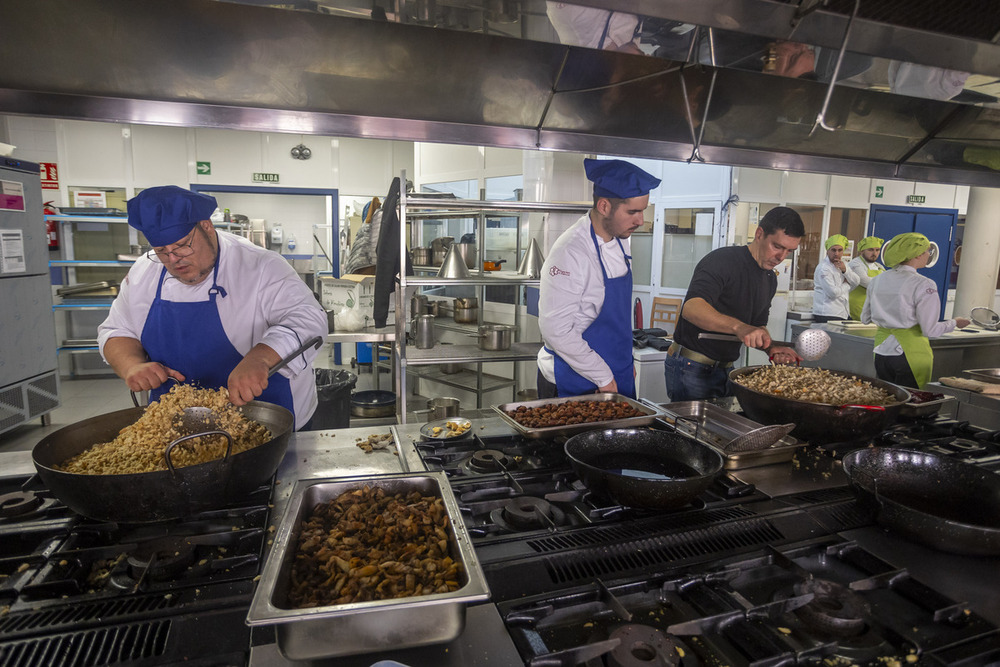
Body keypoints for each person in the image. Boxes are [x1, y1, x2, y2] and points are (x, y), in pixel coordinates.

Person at [98, 186, 328, 430]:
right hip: (176, 427)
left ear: (206, 225)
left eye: (182, 246)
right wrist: (131, 365)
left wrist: (260, 359)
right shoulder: (144, 272)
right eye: (161, 252)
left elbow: (309, 320)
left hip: (267, 421)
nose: (174, 260)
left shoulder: (260, 266)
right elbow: (116, 329)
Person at [536, 158, 660, 399]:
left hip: (614, 371)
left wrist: (625, 362)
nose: (640, 221)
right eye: (633, 212)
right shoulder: (570, 251)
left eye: (643, 210)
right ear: (604, 206)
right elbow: (555, 330)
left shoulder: (621, 241)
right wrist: (603, 375)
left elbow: (616, 318)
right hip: (574, 376)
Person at [665, 207, 805, 402]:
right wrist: (739, 327)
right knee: (690, 431)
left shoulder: (770, 279)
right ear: (759, 234)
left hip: (726, 370)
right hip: (691, 366)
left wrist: (770, 347)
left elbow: (757, 325)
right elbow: (691, 308)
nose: (782, 257)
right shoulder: (722, 260)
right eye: (777, 246)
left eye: (789, 251)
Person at [862, 232, 970, 389]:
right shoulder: (924, 284)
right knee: (910, 403)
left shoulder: (877, 280)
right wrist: (955, 322)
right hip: (909, 354)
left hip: (881, 353)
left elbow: (865, 318)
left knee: (887, 400)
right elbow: (930, 330)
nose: (928, 255)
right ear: (917, 254)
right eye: (928, 251)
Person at [812, 234, 859, 323]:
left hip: (842, 313)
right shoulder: (824, 268)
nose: (836, 253)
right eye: (833, 250)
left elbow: (856, 281)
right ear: (827, 251)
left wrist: (845, 271)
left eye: (839, 250)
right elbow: (832, 293)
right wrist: (846, 284)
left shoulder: (843, 264)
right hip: (827, 313)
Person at [847, 236, 885, 320]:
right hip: (855, 308)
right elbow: (868, 283)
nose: (874, 253)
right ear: (862, 251)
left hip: (872, 309)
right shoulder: (855, 264)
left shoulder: (879, 267)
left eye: (877, 250)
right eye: (870, 250)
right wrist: (885, 283)